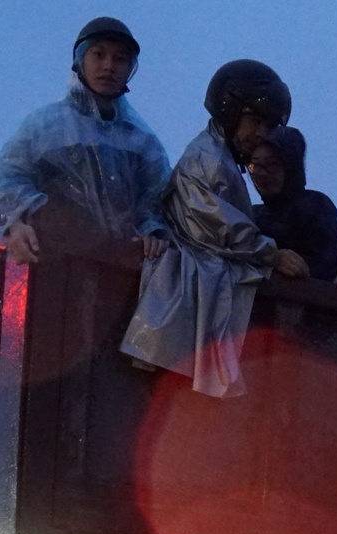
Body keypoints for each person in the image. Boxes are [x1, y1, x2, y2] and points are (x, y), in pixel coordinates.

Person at [121, 60, 309, 397]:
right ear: (230, 111)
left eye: (268, 125)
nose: (261, 133)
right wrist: (272, 255)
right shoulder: (208, 159)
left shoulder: (221, 156)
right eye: (255, 121)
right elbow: (220, 225)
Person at [0, 17, 171, 263]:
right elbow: (10, 177)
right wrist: (16, 223)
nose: (109, 66)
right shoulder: (46, 126)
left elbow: (157, 198)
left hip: (124, 270)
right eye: (99, 54)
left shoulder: (141, 141)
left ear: (130, 69)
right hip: (55, 263)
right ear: (79, 60)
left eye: (120, 59)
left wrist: (154, 231)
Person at [247, 127, 337, 281]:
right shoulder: (251, 215)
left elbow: (325, 267)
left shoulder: (317, 207)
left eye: (272, 165)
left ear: (291, 167)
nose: (262, 174)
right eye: (255, 166)